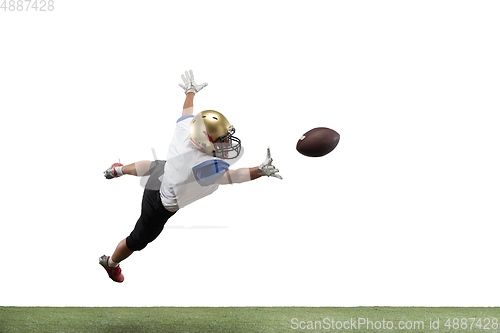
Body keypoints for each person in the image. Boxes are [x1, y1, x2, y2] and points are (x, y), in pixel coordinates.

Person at [99, 70, 282, 282]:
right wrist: (259, 171)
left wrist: (190, 91)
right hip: (158, 206)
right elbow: (232, 176)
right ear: (205, 143)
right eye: (221, 139)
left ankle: (118, 170)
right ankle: (111, 263)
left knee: (155, 166)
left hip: (165, 173)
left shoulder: (187, 128)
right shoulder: (201, 165)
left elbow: (187, 111)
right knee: (137, 241)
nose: (227, 143)